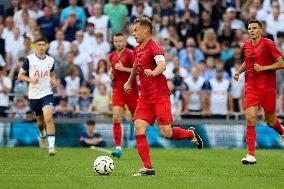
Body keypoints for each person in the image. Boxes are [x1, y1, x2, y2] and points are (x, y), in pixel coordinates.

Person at [124, 17, 203, 176]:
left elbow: (162, 64)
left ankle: (190, 134)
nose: (133, 33)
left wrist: (153, 72)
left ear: (146, 30)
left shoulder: (155, 47)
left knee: (166, 133)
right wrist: (129, 81)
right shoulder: (137, 49)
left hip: (159, 96)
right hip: (144, 97)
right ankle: (148, 167)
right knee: (139, 129)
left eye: (136, 30)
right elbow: (136, 66)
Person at [233, 20, 284, 165]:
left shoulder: (268, 44)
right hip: (251, 87)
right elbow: (247, 62)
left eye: (255, 28)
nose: (251, 30)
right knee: (251, 118)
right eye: (249, 28)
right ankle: (251, 155)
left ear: (261, 30)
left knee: (270, 121)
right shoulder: (246, 46)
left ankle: (282, 131)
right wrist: (238, 72)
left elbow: (281, 63)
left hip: (267, 88)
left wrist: (263, 68)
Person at [18, 37, 57, 156]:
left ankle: (51, 147)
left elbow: (52, 74)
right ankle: (42, 134)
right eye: (38, 45)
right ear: (35, 46)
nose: (41, 47)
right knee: (40, 122)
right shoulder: (29, 59)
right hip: (34, 95)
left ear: (46, 46)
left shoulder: (51, 60)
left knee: (48, 118)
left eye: (43, 45)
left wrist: (54, 80)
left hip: (47, 93)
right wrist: (30, 79)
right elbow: (20, 76)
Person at [108, 33, 139, 157]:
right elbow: (113, 69)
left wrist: (122, 69)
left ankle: (140, 143)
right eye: (116, 41)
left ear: (125, 41)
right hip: (118, 90)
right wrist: (111, 74)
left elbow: (137, 70)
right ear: (113, 42)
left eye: (121, 41)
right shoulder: (112, 56)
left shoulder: (130, 54)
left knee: (136, 120)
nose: (119, 43)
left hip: (131, 90)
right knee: (116, 118)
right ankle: (118, 148)